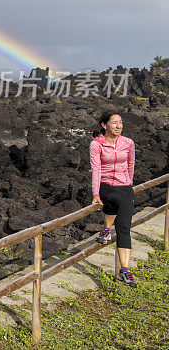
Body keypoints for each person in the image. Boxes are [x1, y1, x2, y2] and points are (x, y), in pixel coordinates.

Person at [90, 111, 137, 287]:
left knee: (124, 229)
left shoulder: (128, 143)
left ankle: (124, 270)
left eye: (120, 123)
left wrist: (129, 184)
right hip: (105, 184)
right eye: (114, 123)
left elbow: (131, 164)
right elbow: (96, 169)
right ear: (104, 125)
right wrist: (95, 193)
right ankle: (107, 228)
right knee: (111, 196)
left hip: (125, 185)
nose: (119, 126)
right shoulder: (96, 145)